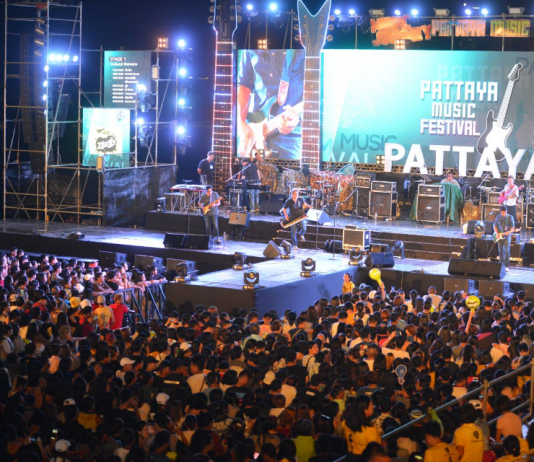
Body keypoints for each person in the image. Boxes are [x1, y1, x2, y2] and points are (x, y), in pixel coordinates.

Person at [237, 49, 304, 160]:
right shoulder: (249, 42)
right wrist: (241, 123)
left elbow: (314, 87)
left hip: (290, 138)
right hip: (255, 131)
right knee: (254, 170)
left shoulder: (302, 43)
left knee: (288, 171)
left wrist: (297, 117)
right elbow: (244, 84)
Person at [493, 204, 515, 273]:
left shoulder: (510, 217)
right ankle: (501, 264)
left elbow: (512, 227)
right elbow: (495, 226)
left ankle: (506, 266)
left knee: (506, 251)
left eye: (505, 212)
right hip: (499, 235)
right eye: (502, 212)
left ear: (506, 211)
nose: (504, 214)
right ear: (500, 212)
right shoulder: (498, 217)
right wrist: (496, 233)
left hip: (506, 236)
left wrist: (509, 232)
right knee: (500, 251)